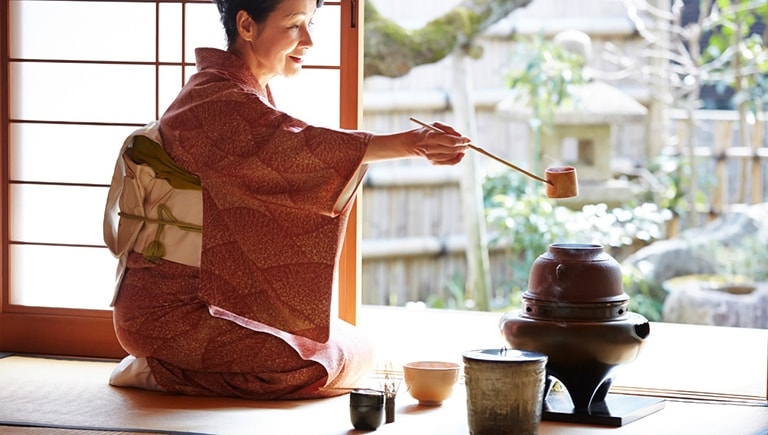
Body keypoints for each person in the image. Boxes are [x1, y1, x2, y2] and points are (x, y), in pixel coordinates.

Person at [103, 0, 470, 400]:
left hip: (212, 297)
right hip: (168, 310)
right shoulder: (214, 101)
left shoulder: (240, 94)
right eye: (295, 25)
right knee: (311, 366)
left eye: (310, 24)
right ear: (246, 25)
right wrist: (410, 144)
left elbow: (282, 152)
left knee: (356, 352)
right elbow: (295, 147)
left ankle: (173, 367)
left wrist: (410, 145)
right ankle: (159, 371)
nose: (309, 40)